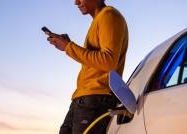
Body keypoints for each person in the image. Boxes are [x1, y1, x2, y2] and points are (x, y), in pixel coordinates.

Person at [44, 0, 129, 133]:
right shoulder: (99, 19)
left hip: (96, 98)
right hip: (84, 98)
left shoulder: (109, 15)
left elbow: (108, 61)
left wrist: (68, 47)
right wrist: (68, 45)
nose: (76, 2)